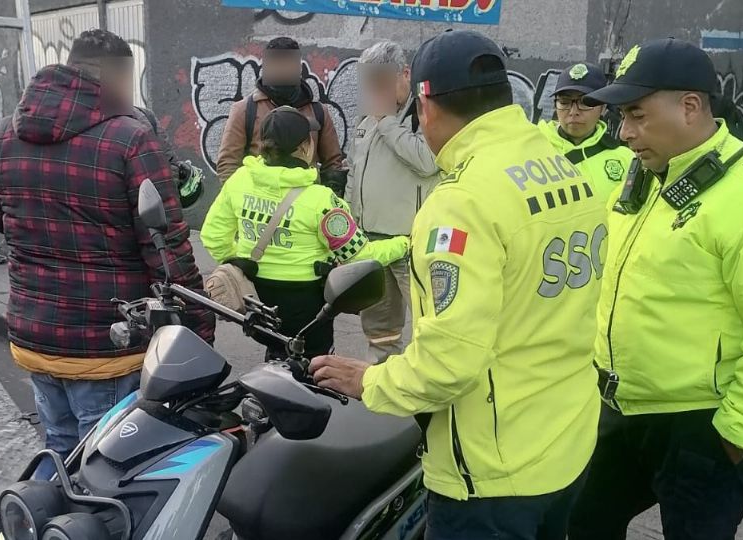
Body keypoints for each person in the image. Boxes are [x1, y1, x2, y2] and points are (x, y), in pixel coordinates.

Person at [311, 30, 606, 540]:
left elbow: (449, 364)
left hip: (492, 472)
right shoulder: (561, 167)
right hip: (569, 441)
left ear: (424, 103)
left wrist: (371, 382)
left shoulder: (461, 201)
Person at [567, 38, 743, 540]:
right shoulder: (649, 170)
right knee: (582, 522)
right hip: (620, 407)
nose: (624, 133)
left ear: (691, 107)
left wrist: (738, 436)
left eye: (636, 115)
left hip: (701, 426)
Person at [0, 30, 216, 478]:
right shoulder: (129, 138)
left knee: (58, 449)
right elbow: (166, 248)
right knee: (106, 467)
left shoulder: (4, 134)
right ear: (120, 75)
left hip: (34, 334)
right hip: (105, 344)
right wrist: (199, 326)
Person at [201, 106, 408, 360]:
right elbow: (358, 257)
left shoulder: (240, 181)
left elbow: (212, 236)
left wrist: (244, 263)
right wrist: (403, 244)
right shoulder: (321, 201)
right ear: (305, 148)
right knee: (313, 370)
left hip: (256, 301)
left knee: (276, 356)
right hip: (307, 311)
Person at [345, 41, 439, 363]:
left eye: (382, 81)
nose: (376, 90)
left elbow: (428, 162)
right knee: (379, 321)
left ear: (405, 75)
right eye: (371, 82)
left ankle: (427, 380)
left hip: (410, 242)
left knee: (429, 319)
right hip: (369, 241)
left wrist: (387, 123)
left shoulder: (426, 114)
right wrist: (349, 222)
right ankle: (382, 372)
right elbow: (354, 174)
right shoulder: (366, 120)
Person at [216, 37, 345, 188]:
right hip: (260, 206)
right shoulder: (245, 110)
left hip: (306, 206)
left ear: (299, 68)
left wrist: (329, 204)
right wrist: (242, 201)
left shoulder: (318, 112)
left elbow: (333, 166)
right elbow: (228, 164)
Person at [538, 62, 634, 198]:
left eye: (584, 103)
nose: (573, 111)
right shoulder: (533, 149)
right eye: (564, 102)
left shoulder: (626, 159)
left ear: (603, 107)